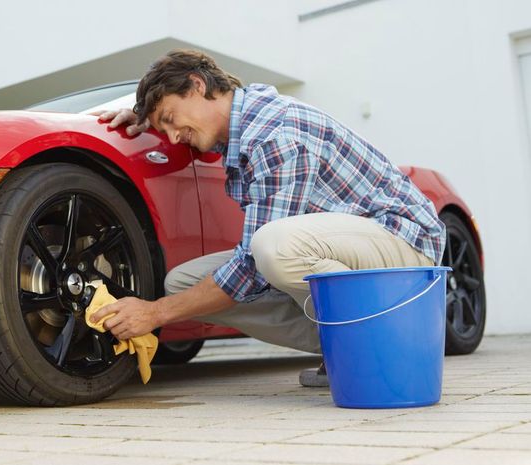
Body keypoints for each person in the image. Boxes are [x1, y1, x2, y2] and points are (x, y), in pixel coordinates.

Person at [90, 49, 445, 387]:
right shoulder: (242, 126)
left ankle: (379, 340)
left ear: (198, 85)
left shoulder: (274, 134)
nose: (171, 135)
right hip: (356, 250)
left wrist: (154, 314)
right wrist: (147, 121)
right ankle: (341, 345)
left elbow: (251, 268)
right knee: (182, 284)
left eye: (169, 119)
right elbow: (197, 133)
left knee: (272, 247)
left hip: (403, 244)